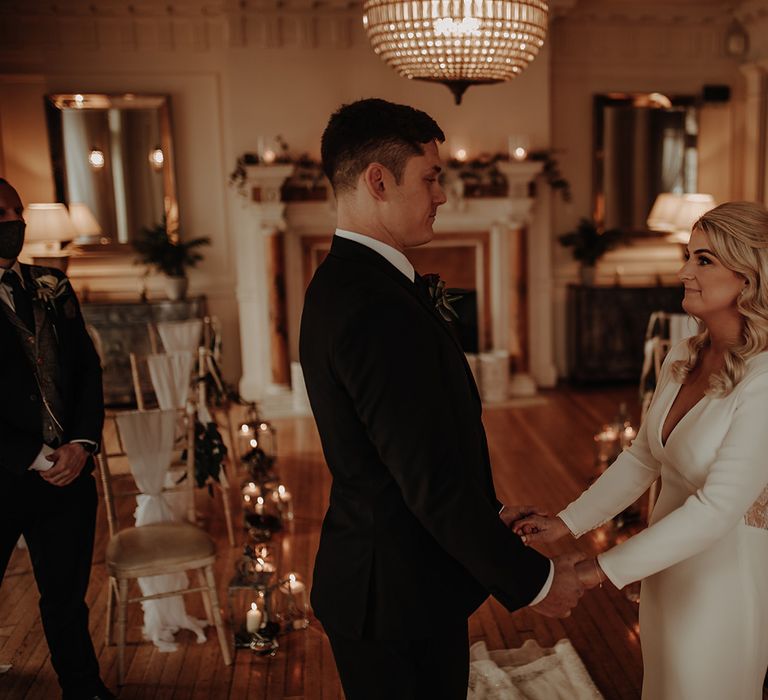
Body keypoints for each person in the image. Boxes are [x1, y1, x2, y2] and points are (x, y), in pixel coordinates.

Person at [299, 99, 584, 700]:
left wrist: (492, 511)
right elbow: (429, 482)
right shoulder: (373, 305)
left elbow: (413, 452)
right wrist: (535, 584)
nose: (442, 195)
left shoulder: (354, 283)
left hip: (404, 580)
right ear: (379, 180)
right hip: (392, 598)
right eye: (430, 177)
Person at [516, 200, 768, 700]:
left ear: (749, 277)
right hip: (664, 577)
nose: (683, 271)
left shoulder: (764, 381)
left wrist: (595, 570)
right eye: (688, 256)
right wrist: (567, 523)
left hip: (722, 588)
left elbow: (718, 509)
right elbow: (643, 458)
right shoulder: (682, 356)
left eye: (703, 260)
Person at [0, 179, 112, 700]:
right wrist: (34, 456)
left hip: (68, 473)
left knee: (66, 596)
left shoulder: (52, 284)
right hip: (5, 475)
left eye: (15, 212)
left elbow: (88, 370)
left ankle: (83, 688)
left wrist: (81, 444)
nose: (12, 223)